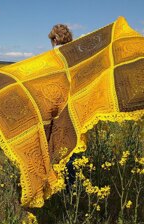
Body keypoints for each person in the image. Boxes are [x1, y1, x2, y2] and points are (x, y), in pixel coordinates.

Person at [48, 24, 81, 191]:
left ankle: (55, 183)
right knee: (73, 145)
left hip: (56, 107)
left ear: (55, 39)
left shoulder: (51, 57)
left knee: (55, 144)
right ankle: (71, 187)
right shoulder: (78, 56)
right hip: (75, 106)